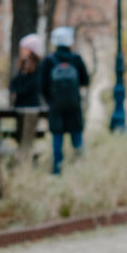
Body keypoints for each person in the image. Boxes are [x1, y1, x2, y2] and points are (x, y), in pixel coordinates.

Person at [39, 26, 89, 176]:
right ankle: (81, 170)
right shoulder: (76, 59)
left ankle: (57, 170)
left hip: (56, 107)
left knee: (57, 139)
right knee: (77, 138)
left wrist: (51, 100)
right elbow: (85, 80)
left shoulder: (49, 60)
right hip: (74, 106)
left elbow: (41, 85)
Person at [9, 35, 43, 109]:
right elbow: (14, 83)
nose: (21, 51)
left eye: (23, 49)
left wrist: (19, 90)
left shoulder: (38, 66)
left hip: (31, 105)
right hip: (19, 104)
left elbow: (34, 85)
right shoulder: (23, 65)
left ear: (30, 50)